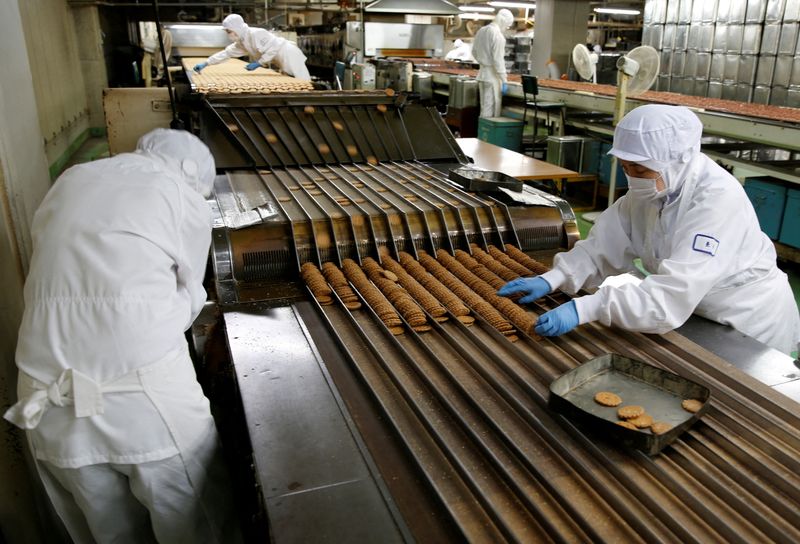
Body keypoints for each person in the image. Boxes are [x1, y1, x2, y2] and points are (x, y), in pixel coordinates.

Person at [4, 129, 240, 542]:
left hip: (48, 402)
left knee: (108, 535)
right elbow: (189, 296)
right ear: (194, 178)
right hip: (143, 400)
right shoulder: (181, 197)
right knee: (198, 526)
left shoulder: (74, 178)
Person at [498, 104, 800, 354]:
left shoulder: (716, 201)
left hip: (746, 321)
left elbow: (671, 296)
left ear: (678, 161)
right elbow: (603, 247)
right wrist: (554, 278)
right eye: (627, 168)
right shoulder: (651, 191)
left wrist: (585, 309)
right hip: (695, 311)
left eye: (640, 169)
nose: (633, 178)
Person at [193, 13, 311, 81]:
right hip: (281, 60)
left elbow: (274, 48)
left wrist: (259, 62)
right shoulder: (243, 42)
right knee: (293, 80)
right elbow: (226, 53)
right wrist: (206, 63)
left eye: (229, 31)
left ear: (236, 29)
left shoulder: (256, 33)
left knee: (303, 81)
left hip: (289, 54)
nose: (229, 34)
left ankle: (312, 103)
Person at [472, 8, 514, 118]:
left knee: (483, 107)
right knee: (489, 110)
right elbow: (498, 60)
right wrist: (504, 79)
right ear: (504, 21)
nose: (507, 28)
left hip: (482, 75)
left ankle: (482, 133)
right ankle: (486, 134)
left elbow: (474, 52)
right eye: (508, 25)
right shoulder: (498, 36)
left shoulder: (482, 30)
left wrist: (483, 62)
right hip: (492, 78)